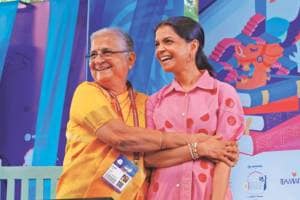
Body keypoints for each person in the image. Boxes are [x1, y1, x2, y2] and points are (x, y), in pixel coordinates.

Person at [56, 27, 239, 199]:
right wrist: (199, 141)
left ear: (131, 59)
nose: (98, 60)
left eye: (107, 52)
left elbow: (156, 156)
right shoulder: (86, 92)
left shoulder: (147, 102)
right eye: (93, 54)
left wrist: (214, 149)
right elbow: (119, 136)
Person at [145, 16, 245, 200]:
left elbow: (225, 157)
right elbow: (150, 159)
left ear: (193, 46)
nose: (160, 50)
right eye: (157, 44)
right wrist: (199, 148)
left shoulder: (222, 93)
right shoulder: (155, 101)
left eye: (168, 41)